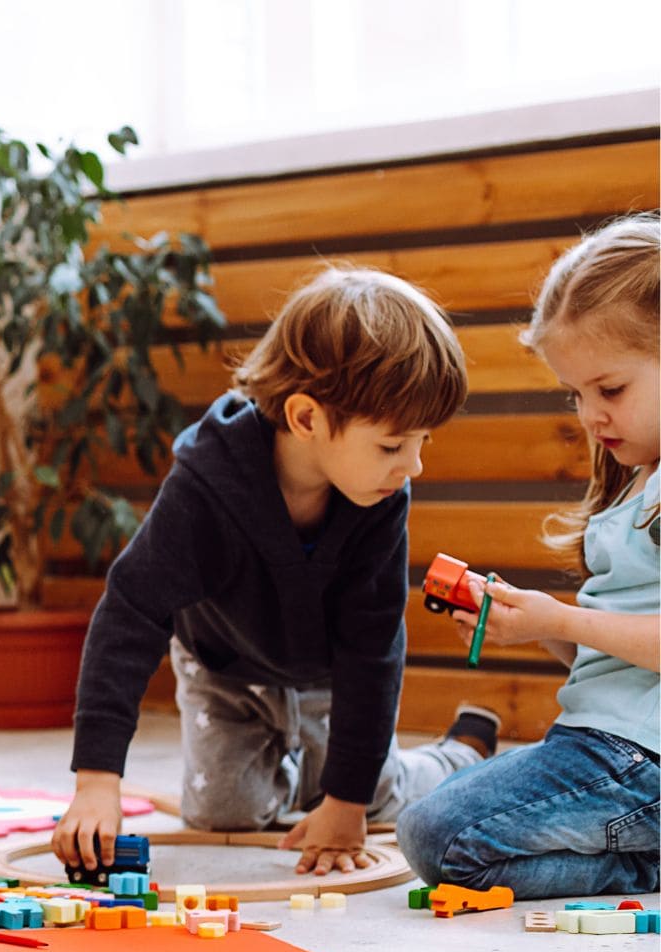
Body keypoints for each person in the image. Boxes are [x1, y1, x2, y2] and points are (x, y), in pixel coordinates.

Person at [52, 267, 497, 876]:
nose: (412, 466)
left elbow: (373, 651)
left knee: (376, 795)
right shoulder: (206, 486)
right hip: (223, 667)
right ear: (307, 418)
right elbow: (130, 613)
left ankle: (456, 754)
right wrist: (96, 782)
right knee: (223, 814)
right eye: (393, 446)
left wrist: (346, 803)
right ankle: (296, 777)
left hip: (324, 675)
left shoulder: (381, 496)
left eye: (423, 443)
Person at [398, 215, 660, 899]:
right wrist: (536, 624)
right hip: (606, 741)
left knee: (436, 835)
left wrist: (563, 618)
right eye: (575, 395)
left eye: (610, 390)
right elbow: (615, 661)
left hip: (640, 757)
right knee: (434, 824)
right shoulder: (632, 480)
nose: (590, 416)